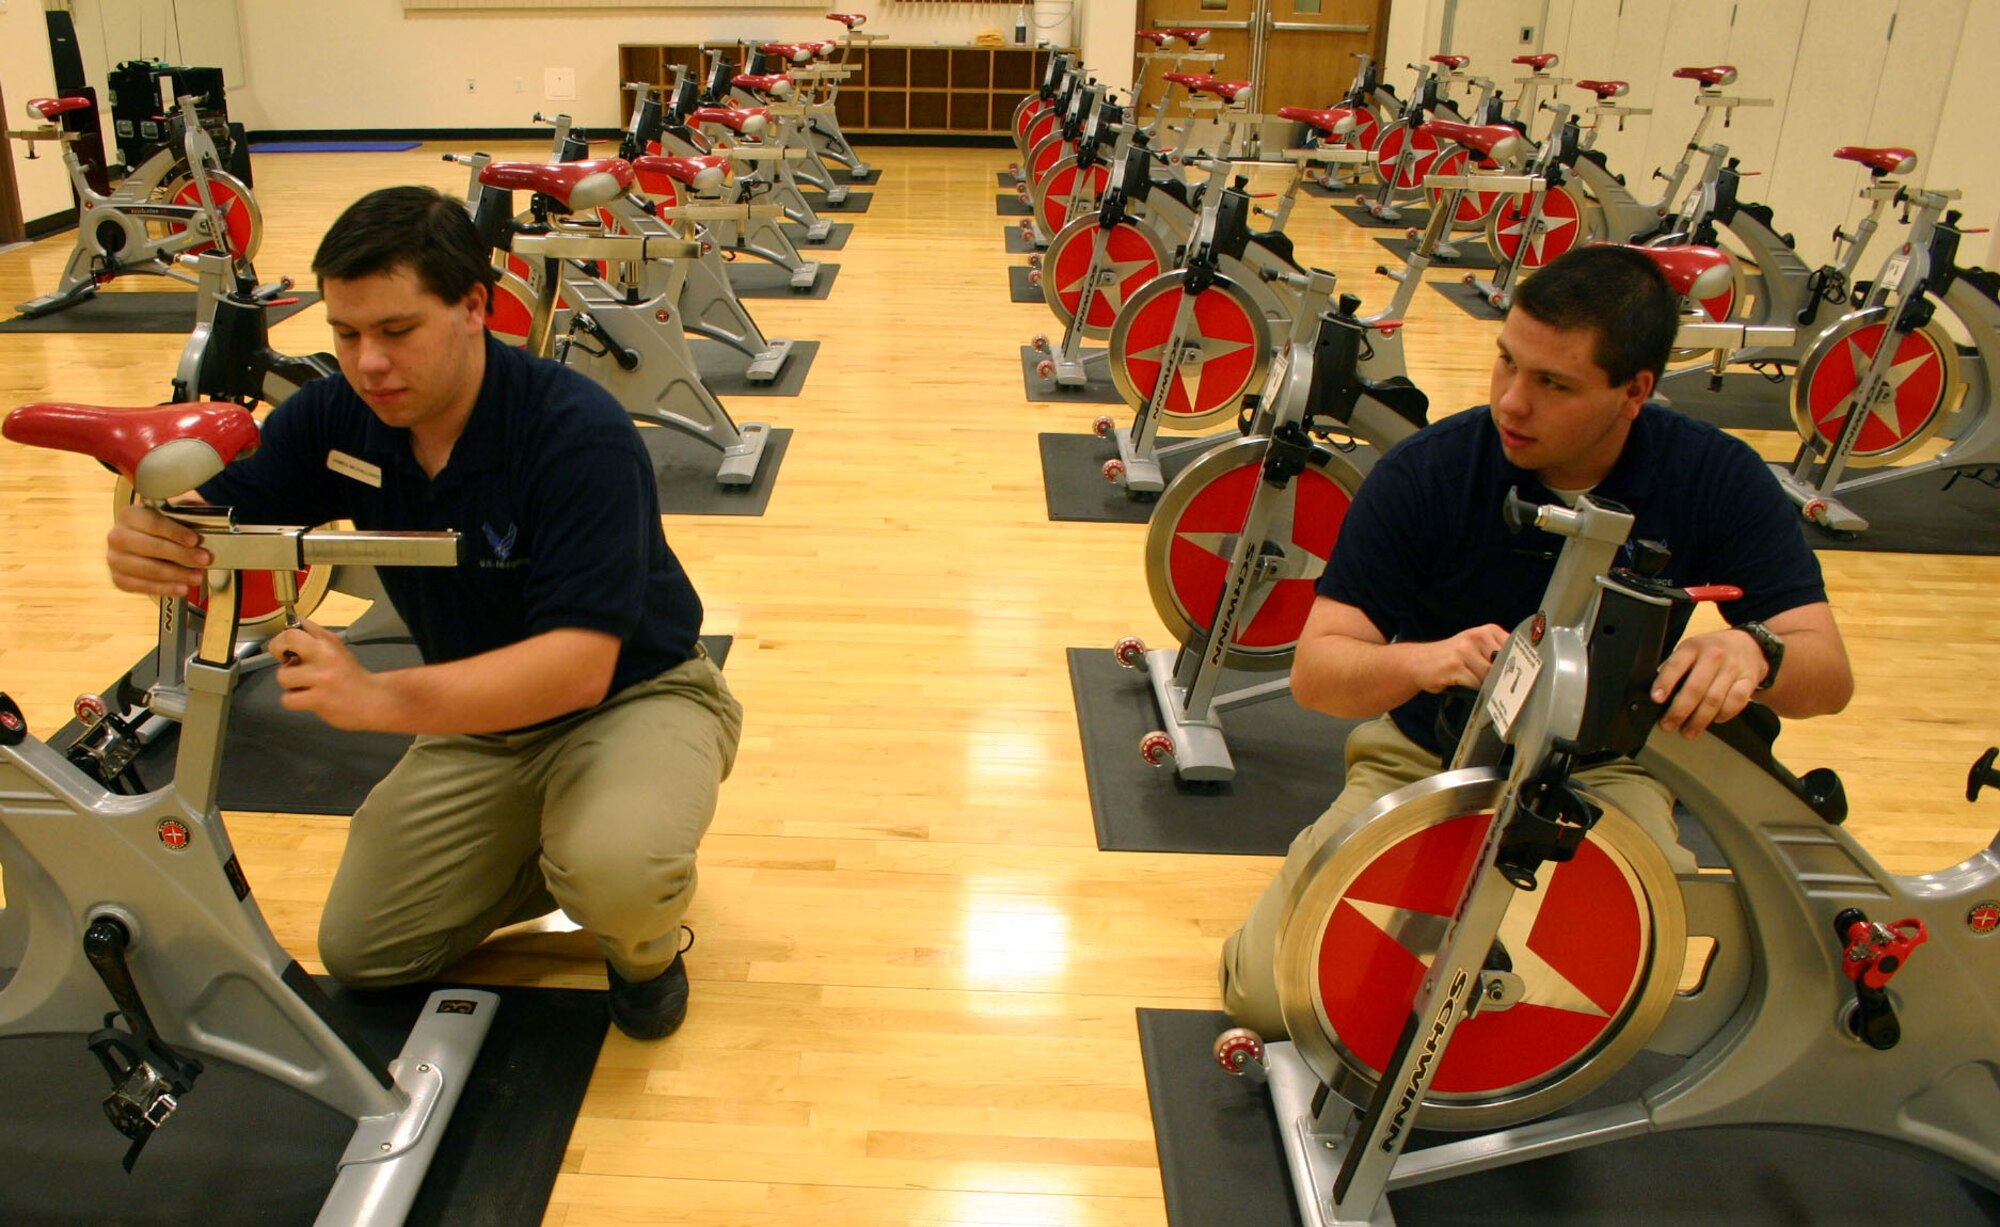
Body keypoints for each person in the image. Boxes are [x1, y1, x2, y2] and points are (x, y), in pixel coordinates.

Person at [105, 186, 743, 1040]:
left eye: (396, 331)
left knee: (617, 872)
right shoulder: (340, 416)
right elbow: (218, 519)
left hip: (637, 694)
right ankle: (568, 843)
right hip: (480, 722)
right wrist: (150, 538)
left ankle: (642, 937)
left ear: (474, 306)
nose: (367, 361)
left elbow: (578, 665)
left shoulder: (575, 430)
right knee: (368, 949)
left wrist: (380, 701)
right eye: (345, 333)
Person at [1219, 244, 1854, 1037]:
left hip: (1609, 774)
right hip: (1426, 756)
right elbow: (1319, 673)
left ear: (1635, 392)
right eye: (1506, 364)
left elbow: (1827, 673)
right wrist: (1425, 660)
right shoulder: (1427, 474)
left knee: (1582, 999)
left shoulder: (1714, 476)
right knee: (1266, 998)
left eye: (1553, 384)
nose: (1512, 403)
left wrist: (1756, 650)